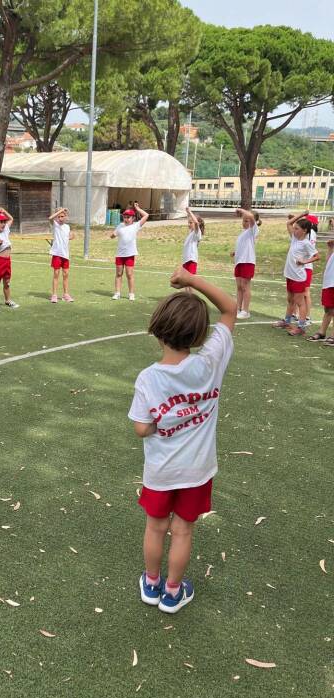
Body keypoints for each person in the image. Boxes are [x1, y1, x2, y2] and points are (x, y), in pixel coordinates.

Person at [128, 267, 236, 613]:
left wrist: (164, 423)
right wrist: (191, 280)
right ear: (200, 334)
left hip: (160, 471)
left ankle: (152, 583)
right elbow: (230, 309)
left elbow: (142, 428)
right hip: (197, 471)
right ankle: (173, 592)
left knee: (156, 527)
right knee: (184, 531)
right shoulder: (211, 361)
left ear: (157, 330)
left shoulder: (149, 378)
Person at [273, 212, 319, 337]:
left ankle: (301, 327)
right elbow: (288, 223)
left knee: (300, 302)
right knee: (290, 300)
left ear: (304, 231)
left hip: (299, 277)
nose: (294, 230)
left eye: (297, 228)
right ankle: (287, 321)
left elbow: (317, 256)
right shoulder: (294, 238)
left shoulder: (306, 243)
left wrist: (305, 261)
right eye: (294, 228)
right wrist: (302, 214)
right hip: (290, 275)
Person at [110, 202, 149, 301]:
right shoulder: (120, 225)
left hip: (130, 254)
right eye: (125, 217)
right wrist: (113, 235)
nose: (126, 219)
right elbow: (113, 235)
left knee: (129, 274)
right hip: (120, 254)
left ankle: (131, 294)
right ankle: (117, 293)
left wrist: (137, 208)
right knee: (119, 274)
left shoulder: (136, 226)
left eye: (128, 217)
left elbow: (146, 215)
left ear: (133, 218)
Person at [0, 208, 19, 311]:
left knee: (7, 283)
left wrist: (4, 211)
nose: (4, 224)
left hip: (7, 261)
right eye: (1, 222)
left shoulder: (5, 230)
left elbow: (11, 219)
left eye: (4, 222)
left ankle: (8, 300)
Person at [232, 208, 260, 320]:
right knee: (239, 286)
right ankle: (238, 308)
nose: (244, 223)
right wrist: (235, 253)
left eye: (246, 221)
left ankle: (245, 310)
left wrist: (241, 210)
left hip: (248, 262)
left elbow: (252, 217)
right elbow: (243, 247)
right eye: (243, 220)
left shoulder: (253, 230)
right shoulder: (243, 233)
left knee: (245, 286)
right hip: (239, 262)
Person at [307, 239, 334, 345]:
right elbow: (329, 261)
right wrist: (330, 248)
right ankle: (322, 332)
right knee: (328, 307)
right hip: (329, 279)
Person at [48, 207, 75, 303]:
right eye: (58, 216)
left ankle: (66, 294)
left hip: (65, 254)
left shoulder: (67, 227)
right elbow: (50, 218)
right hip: (57, 254)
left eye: (62, 216)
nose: (60, 218)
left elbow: (69, 236)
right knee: (56, 274)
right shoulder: (55, 224)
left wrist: (71, 236)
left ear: (66, 217)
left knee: (66, 274)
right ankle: (54, 295)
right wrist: (60, 210)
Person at [303, 214, 319, 325]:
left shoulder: (310, 234)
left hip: (306, 266)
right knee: (300, 293)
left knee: (305, 292)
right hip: (304, 266)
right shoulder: (310, 233)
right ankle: (299, 314)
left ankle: (307, 316)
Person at [181, 207, 204, 277]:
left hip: (191, 260)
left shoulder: (197, 233)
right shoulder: (191, 233)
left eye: (190, 223)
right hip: (186, 260)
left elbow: (196, 222)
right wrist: (188, 213)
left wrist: (190, 212)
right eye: (188, 223)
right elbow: (193, 221)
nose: (188, 224)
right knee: (186, 283)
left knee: (190, 282)